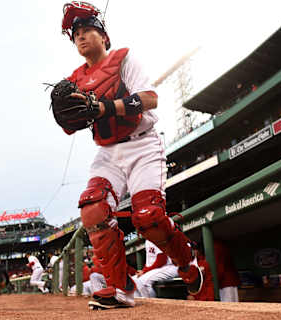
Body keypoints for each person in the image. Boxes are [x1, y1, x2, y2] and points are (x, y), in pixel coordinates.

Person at [55, 1, 203, 309]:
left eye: (87, 31)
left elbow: (150, 99)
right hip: (107, 152)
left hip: (142, 145)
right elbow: (72, 125)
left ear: (104, 37)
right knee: (93, 209)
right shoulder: (75, 79)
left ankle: (186, 263)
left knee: (149, 217)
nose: (81, 37)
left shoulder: (123, 59)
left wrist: (105, 107)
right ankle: (120, 287)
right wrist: (66, 117)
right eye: (76, 34)